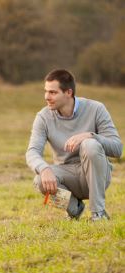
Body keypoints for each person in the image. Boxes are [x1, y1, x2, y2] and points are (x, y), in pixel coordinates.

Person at [26, 69, 122, 221]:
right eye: (46, 91)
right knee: (40, 181)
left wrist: (91, 136)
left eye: (53, 92)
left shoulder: (96, 108)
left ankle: (99, 213)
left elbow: (118, 149)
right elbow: (32, 152)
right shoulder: (43, 117)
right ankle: (74, 209)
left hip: (97, 175)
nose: (46, 97)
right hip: (67, 174)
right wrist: (44, 169)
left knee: (90, 145)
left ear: (68, 92)